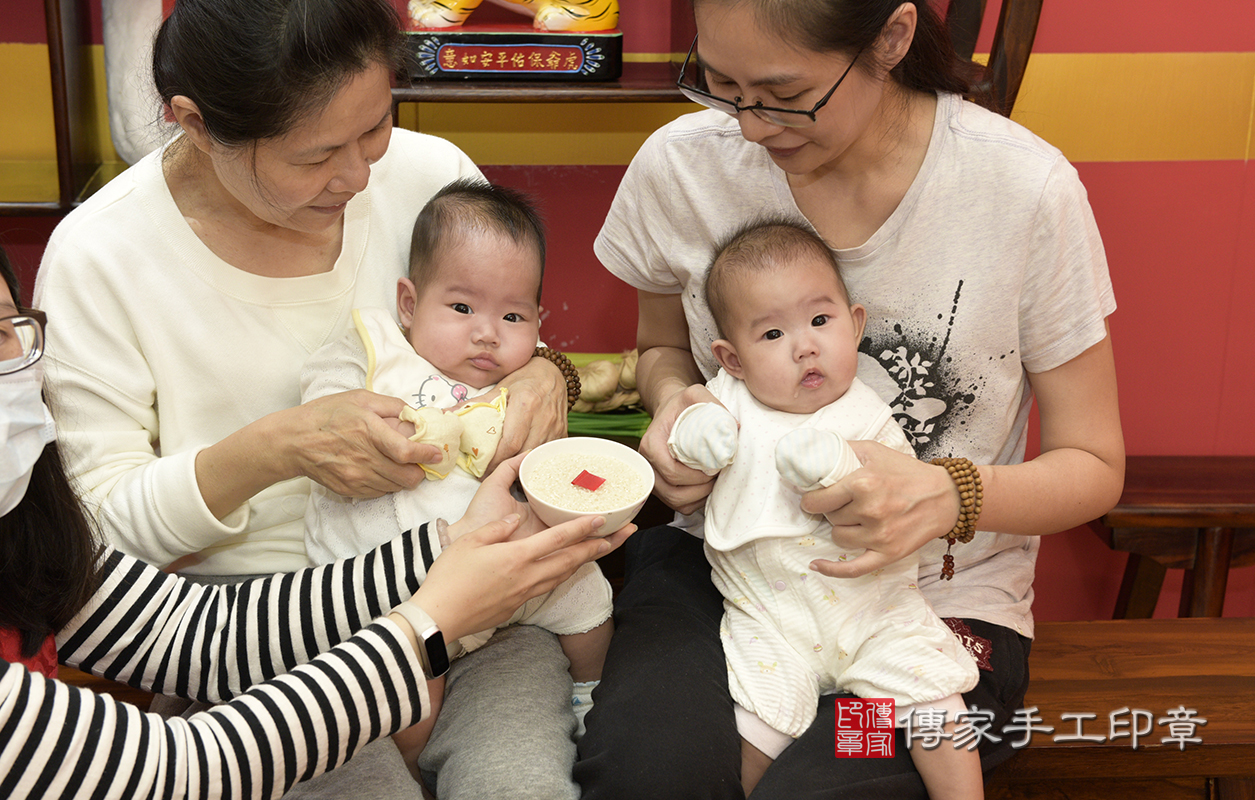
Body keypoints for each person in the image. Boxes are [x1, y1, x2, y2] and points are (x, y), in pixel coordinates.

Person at [575, 1, 1125, 797]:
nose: (751, 126)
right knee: (651, 771)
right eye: (720, 83)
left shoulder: (1022, 189)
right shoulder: (682, 164)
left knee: (823, 784)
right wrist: (675, 404)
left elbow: (1093, 464)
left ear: (891, 39)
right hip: (731, 573)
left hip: (936, 603)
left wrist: (946, 493)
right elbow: (660, 348)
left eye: (782, 91)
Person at [32, 1, 581, 797]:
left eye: (376, 125)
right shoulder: (101, 257)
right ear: (193, 123)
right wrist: (271, 450)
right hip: (243, 631)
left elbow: (504, 336)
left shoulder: (430, 178)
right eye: (317, 153)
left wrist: (542, 376)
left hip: (472, 588)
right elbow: (92, 546)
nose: (359, 175)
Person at [0, 245, 633, 799]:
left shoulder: (27, 548)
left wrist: (448, 548)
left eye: (6, 331)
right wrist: (424, 625)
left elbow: (197, 632)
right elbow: (187, 768)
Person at [301, 178, 613, 774]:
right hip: (396, 586)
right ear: (410, 304)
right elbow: (323, 411)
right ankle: (408, 769)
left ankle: (588, 693)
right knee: (414, 694)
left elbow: (549, 466)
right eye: (462, 308)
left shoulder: (521, 384)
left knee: (590, 597)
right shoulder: (377, 354)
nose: (487, 332)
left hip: (509, 573)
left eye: (513, 315)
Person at [667, 219, 980, 797]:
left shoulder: (868, 415)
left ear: (855, 326)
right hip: (767, 617)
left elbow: (898, 492)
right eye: (771, 335)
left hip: (872, 609)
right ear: (731, 360)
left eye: (819, 321)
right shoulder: (727, 399)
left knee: (932, 697)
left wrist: (838, 466)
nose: (804, 345)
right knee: (757, 723)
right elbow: (684, 437)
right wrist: (696, 433)